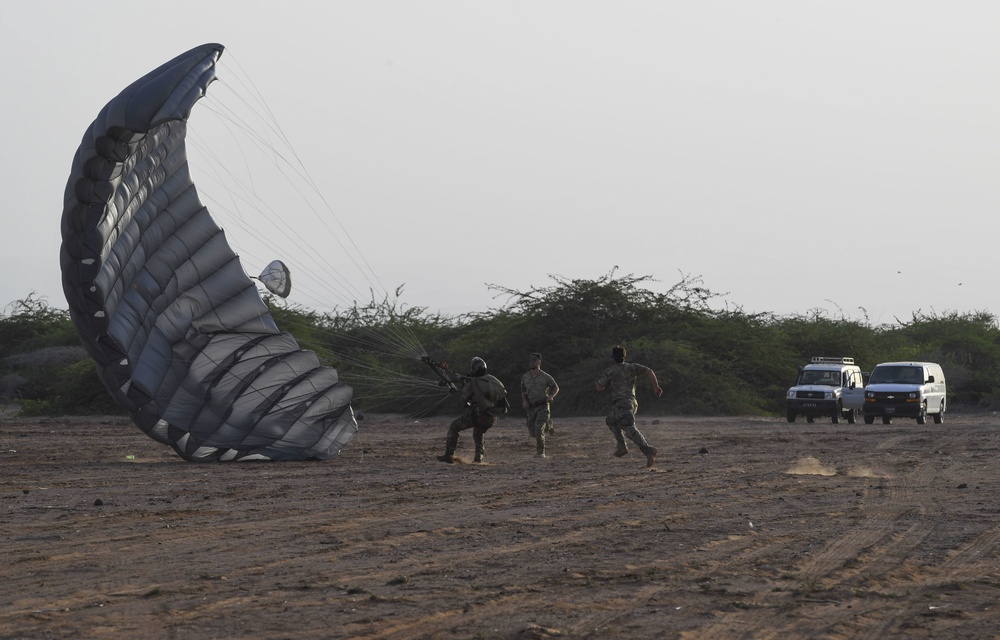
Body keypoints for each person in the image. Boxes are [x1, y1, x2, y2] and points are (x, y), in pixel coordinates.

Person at [594, 345, 663, 468]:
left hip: (622, 403)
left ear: (612, 358)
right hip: (631, 402)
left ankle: (647, 449)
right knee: (611, 420)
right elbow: (649, 371)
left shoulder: (610, 371)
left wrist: (604, 383)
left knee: (629, 429)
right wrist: (655, 387)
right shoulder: (632, 367)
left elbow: (599, 388)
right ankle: (621, 446)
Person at [438, 356, 509, 464]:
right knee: (478, 432)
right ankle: (478, 458)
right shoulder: (491, 380)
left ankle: (449, 454)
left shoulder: (472, 383)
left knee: (454, 427)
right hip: (491, 417)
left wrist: (466, 400)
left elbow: (464, 402)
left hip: (479, 416)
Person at [520, 352, 560, 458]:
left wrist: (551, 396)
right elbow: (523, 391)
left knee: (538, 429)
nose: (531, 362)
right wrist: (524, 401)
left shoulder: (545, 377)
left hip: (543, 405)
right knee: (532, 430)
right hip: (531, 406)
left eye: (534, 360)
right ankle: (549, 424)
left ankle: (540, 452)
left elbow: (555, 388)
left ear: (539, 362)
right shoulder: (525, 377)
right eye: (530, 361)